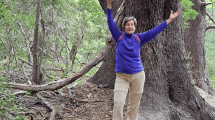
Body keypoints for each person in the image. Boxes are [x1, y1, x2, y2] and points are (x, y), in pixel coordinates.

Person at [106, 0, 181, 120]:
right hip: (121, 76)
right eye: (127, 24)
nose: (130, 26)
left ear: (134, 27)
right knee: (119, 103)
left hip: (138, 76)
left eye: (132, 25)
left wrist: (170, 20)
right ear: (124, 26)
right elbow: (110, 22)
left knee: (134, 106)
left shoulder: (139, 38)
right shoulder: (118, 37)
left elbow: (154, 31)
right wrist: (109, 5)